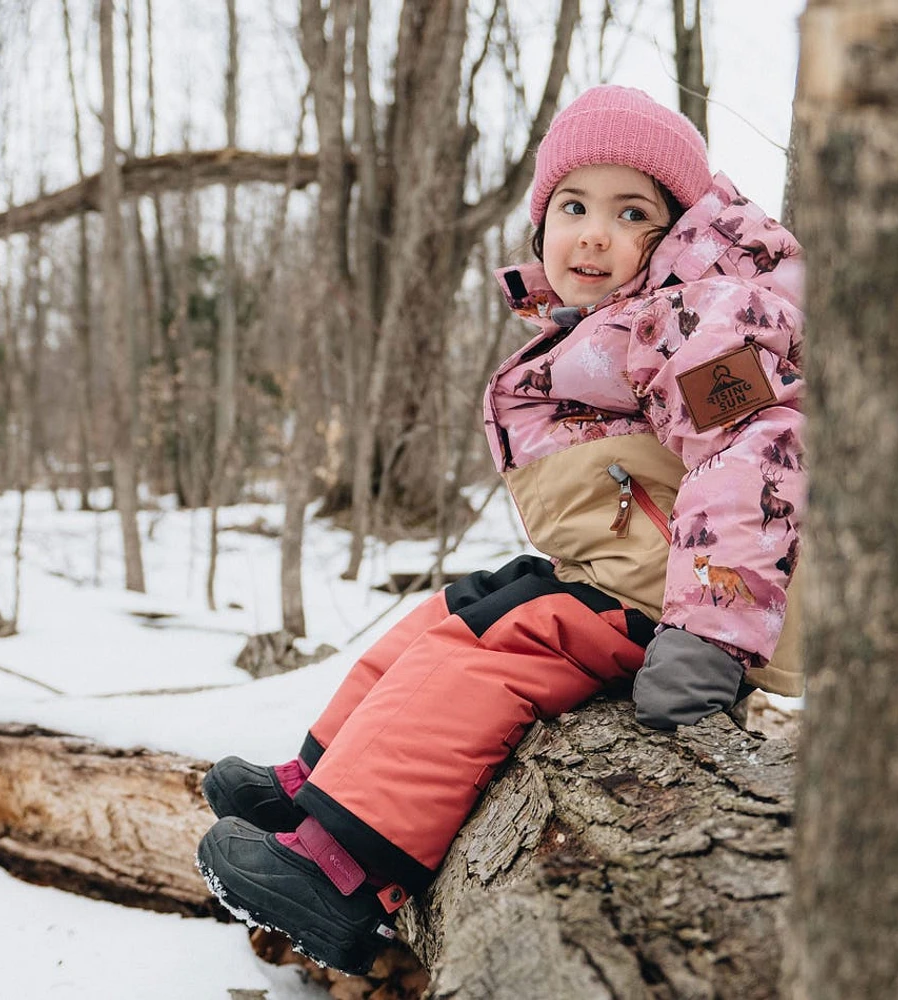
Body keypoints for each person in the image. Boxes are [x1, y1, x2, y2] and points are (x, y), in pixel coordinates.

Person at [196, 85, 805, 975]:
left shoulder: (706, 315)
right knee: (450, 614)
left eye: (630, 210)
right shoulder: (606, 321)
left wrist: (711, 627)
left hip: (700, 601)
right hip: (626, 572)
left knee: (490, 649)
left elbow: (752, 451)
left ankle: (346, 868)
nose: (594, 233)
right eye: (573, 206)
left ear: (674, 230)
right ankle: (313, 793)